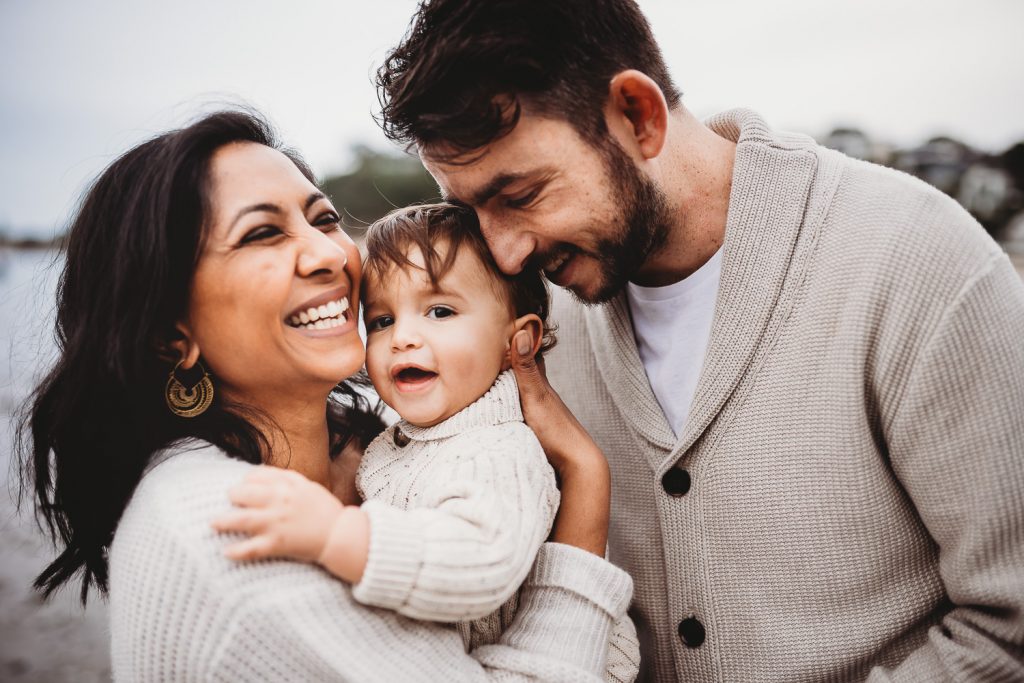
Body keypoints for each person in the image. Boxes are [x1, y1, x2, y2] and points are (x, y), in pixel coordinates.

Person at [374, 0, 1024, 680]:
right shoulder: (529, 322)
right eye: (473, 209)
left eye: (522, 193)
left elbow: (1006, 634)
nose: (504, 254)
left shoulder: (918, 259)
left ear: (637, 115)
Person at [18, 110, 635, 682]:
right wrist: (585, 486)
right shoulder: (224, 531)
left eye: (324, 219)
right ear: (170, 337)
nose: (329, 255)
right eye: (262, 233)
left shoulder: (388, 442)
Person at [212, 203, 640, 682]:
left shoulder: (496, 450)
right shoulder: (409, 440)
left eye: (440, 311)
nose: (403, 338)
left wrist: (337, 535)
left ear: (516, 340)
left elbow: (480, 561)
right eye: (381, 321)